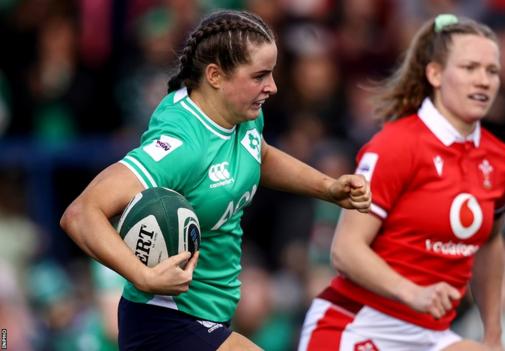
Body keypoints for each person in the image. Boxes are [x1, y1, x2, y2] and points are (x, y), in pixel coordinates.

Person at [60, 10, 371, 351]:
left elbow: (259, 155)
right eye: (260, 76)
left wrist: (328, 188)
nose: (272, 87)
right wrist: (143, 275)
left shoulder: (243, 113)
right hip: (165, 322)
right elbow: (81, 213)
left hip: (212, 315)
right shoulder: (183, 146)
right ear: (215, 75)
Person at [298, 13, 505, 351]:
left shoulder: (503, 162)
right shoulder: (397, 145)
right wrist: (414, 292)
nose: (484, 80)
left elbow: (490, 245)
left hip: (431, 336)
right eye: (470, 68)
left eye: (492, 71)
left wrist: (493, 335)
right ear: (434, 73)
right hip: (358, 325)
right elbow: (345, 251)